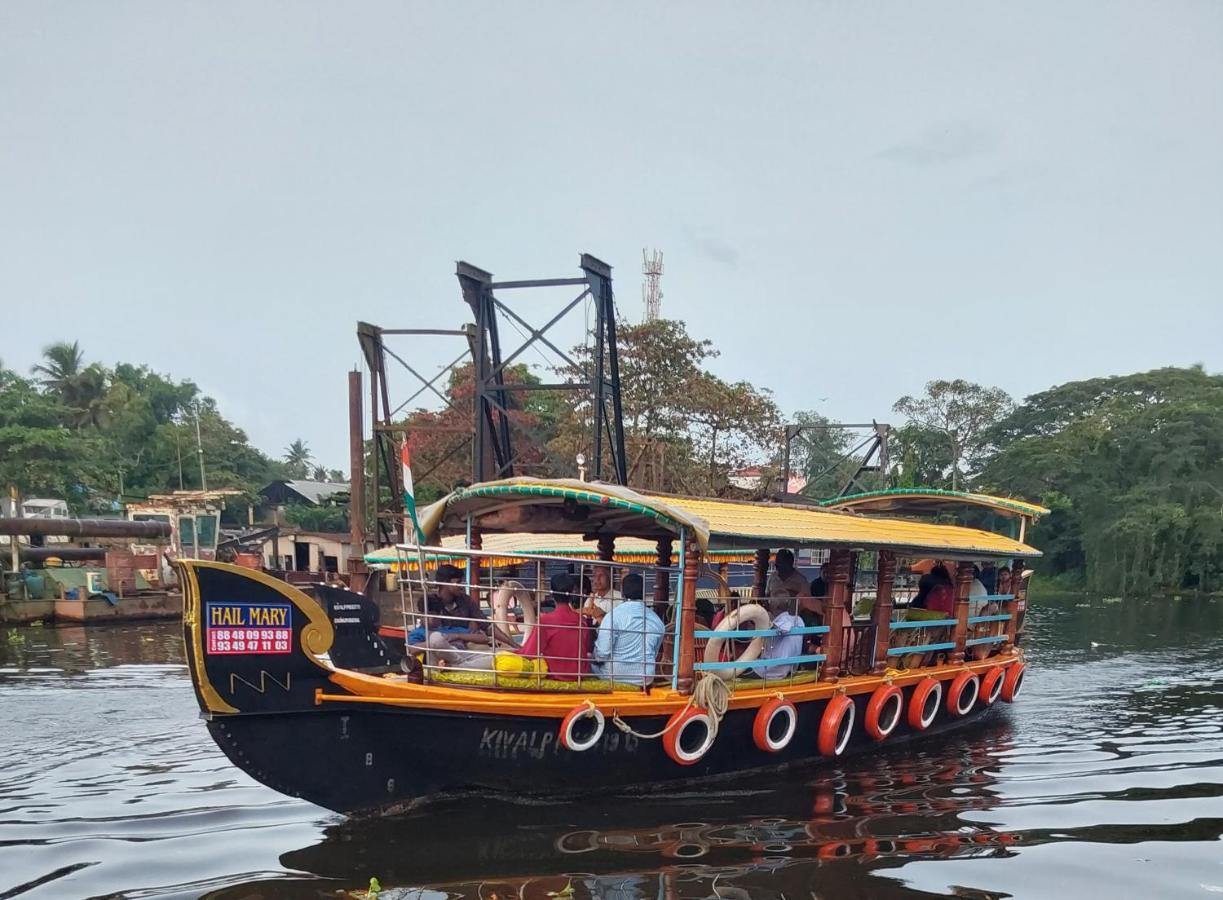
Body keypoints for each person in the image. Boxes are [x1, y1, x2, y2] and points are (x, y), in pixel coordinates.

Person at [409, 564, 514, 671]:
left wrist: (458, 636)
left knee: (498, 655)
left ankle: (457, 667)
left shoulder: (465, 601)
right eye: (458, 582)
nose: (462, 585)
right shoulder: (431, 603)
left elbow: (485, 627)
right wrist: (435, 643)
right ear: (445, 583)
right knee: (436, 639)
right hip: (440, 652)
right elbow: (413, 648)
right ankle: (458, 665)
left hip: (464, 648)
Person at [592, 573, 665, 686]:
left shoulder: (613, 616)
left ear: (622, 593)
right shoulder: (656, 621)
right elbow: (654, 653)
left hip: (613, 675)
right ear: (643, 592)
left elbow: (602, 654)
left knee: (588, 664)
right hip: (645, 677)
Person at [516, 573, 592, 680]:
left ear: (551, 593)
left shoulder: (546, 621)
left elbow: (529, 653)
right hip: (578, 676)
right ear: (571, 593)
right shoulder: (582, 621)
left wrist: (512, 653)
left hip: (554, 676)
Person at [755, 595, 805, 680]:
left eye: (770, 601)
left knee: (739, 669)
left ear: (776, 606)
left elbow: (785, 628)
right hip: (791, 669)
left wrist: (769, 624)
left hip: (772, 670)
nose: (768, 604)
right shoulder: (798, 620)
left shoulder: (783, 622)